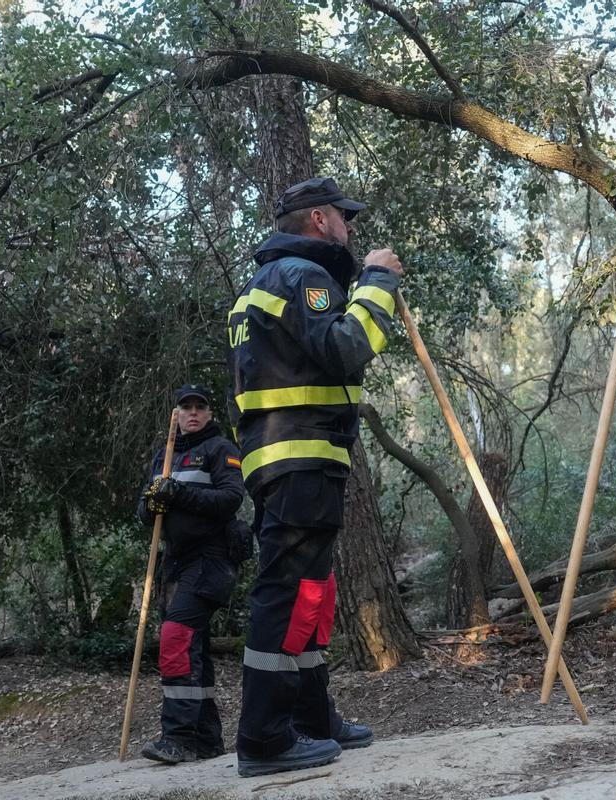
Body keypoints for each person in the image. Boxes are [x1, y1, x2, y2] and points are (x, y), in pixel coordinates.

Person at [226, 177, 403, 778]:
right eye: (345, 218)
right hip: (300, 455)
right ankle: (263, 738)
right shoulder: (303, 277)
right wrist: (377, 281)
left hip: (287, 458)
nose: (350, 230)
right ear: (321, 219)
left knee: (310, 592)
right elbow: (346, 348)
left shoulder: (260, 285)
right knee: (287, 591)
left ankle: (309, 717)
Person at [137, 383, 245, 763]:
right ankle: (206, 740)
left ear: (209, 413)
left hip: (211, 559)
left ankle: (178, 738)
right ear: (177, 415)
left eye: (200, 407)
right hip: (176, 562)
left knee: (176, 637)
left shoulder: (220, 449)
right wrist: (151, 504)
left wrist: (178, 495)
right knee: (192, 645)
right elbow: (144, 512)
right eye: (187, 407)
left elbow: (231, 498)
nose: (193, 413)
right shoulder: (163, 457)